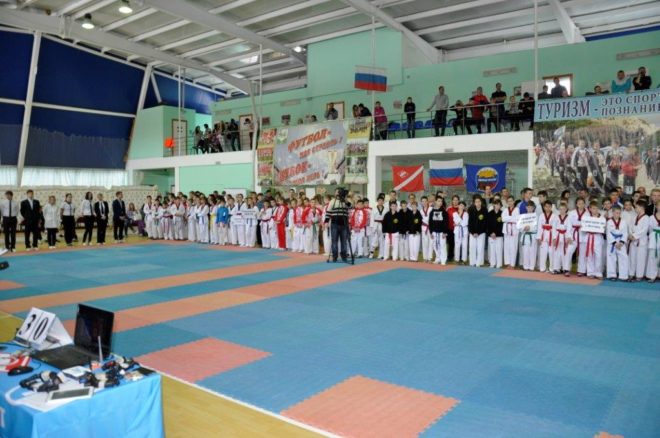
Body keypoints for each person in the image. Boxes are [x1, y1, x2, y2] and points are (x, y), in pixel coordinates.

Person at [326, 189, 351, 262]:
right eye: (337, 192)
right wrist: (326, 222)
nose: (338, 193)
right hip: (334, 224)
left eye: (339, 192)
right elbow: (328, 212)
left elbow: (350, 206)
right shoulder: (332, 201)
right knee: (334, 241)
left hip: (344, 224)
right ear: (335, 193)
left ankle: (344, 256)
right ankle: (335, 256)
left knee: (344, 241)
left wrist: (345, 199)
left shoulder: (345, 201)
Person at [606, 205, 629, 281]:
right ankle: (612, 275)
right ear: (612, 212)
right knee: (611, 258)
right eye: (616, 213)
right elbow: (608, 233)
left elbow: (625, 233)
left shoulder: (623, 222)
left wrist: (621, 242)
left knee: (624, 258)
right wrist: (615, 243)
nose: (618, 214)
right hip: (612, 242)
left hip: (621, 242)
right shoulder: (609, 222)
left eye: (619, 213)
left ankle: (623, 275)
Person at [629, 200, 649, 281]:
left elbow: (644, 230)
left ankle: (639, 275)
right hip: (633, 241)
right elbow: (630, 227)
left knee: (641, 259)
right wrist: (631, 234)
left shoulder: (646, 218)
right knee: (632, 258)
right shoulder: (634, 217)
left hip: (641, 241)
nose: (635, 209)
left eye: (636, 207)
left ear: (642, 208)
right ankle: (631, 273)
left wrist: (634, 236)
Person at [552, 202, 572, 276]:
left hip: (565, 236)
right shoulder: (556, 217)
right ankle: (556, 268)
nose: (562, 210)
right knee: (556, 253)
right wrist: (554, 238)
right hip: (557, 235)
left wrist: (568, 237)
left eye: (563, 209)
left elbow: (569, 228)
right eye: (560, 209)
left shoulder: (569, 218)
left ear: (566, 209)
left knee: (565, 253)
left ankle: (565, 269)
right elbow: (553, 228)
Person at [585, 201, 604, 279]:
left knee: (598, 256)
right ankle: (590, 272)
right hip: (589, 237)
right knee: (590, 255)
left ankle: (598, 273)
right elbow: (584, 227)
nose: (595, 210)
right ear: (590, 209)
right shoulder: (587, 217)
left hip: (598, 237)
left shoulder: (602, 218)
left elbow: (603, 228)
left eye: (596, 208)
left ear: (598, 209)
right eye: (593, 208)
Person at [537, 200, 556, 273]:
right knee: (543, 252)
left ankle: (552, 268)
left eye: (549, 207)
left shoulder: (554, 216)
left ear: (551, 207)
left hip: (551, 234)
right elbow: (539, 227)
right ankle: (542, 268)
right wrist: (539, 237)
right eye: (546, 206)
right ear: (544, 207)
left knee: (551, 252)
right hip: (543, 234)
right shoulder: (541, 215)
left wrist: (554, 238)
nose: (547, 208)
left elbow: (555, 227)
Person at [468, 196, 487, 267]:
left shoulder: (484, 210)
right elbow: (470, 222)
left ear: (481, 202)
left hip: (481, 233)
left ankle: (479, 262)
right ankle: (472, 262)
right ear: (474, 203)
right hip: (472, 233)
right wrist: (472, 232)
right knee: (472, 247)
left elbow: (485, 223)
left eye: (479, 201)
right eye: (476, 202)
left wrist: (478, 232)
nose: (478, 203)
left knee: (480, 248)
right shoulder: (471, 210)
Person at [486, 199, 504, 268]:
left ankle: (499, 264)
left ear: (500, 206)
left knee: (498, 250)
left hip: (499, 235)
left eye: (499, 205)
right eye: (496, 204)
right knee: (492, 250)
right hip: (491, 235)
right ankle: (492, 263)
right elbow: (487, 225)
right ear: (494, 205)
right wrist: (491, 233)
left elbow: (502, 225)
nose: (497, 206)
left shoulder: (502, 213)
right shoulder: (489, 213)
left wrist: (496, 233)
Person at [520, 201, 537, 271]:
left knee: (532, 252)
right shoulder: (523, 216)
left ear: (533, 208)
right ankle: (525, 266)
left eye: (531, 207)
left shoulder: (536, 216)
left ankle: (531, 267)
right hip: (525, 236)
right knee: (525, 252)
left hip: (532, 236)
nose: (529, 208)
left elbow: (537, 227)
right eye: (528, 207)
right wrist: (523, 228)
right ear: (526, 208)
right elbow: (519, 227)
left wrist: (530, 228)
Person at [646, 200, 660, 283]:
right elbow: (650, 229)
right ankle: (652, 276)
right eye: (659, 205)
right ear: (657, 206)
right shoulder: (651, 217)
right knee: (653, 257)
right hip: (654, 237)